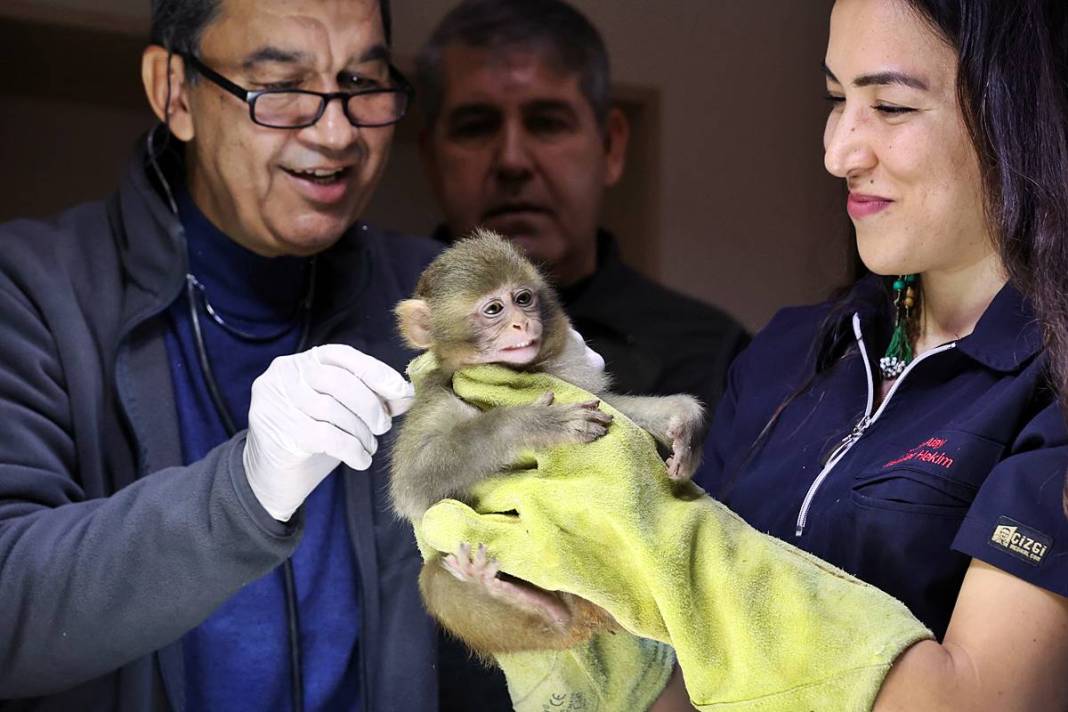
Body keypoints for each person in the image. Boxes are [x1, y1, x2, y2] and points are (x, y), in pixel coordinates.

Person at [420, 0, 1068, 708]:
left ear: (1018, 115)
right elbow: (684, 672)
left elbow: (970, 700)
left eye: (889, 106)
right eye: (835, 99)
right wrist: (568, 616)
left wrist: (659, 532)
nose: (838, 153)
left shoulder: (1051, 387)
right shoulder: (788, 352)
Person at [0, 0, 446, 709]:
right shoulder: (32, 290)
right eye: (283, 86)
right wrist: (245, 491)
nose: (336, 134)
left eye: (362, 84)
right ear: (173, 93)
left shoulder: (432, 298)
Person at [416, 0, 749, 413]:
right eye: (475, 127)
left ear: (610, 146)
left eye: (547, 123)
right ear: (430, 158)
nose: (512, 161)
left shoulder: (713, 357)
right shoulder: (374, 329)